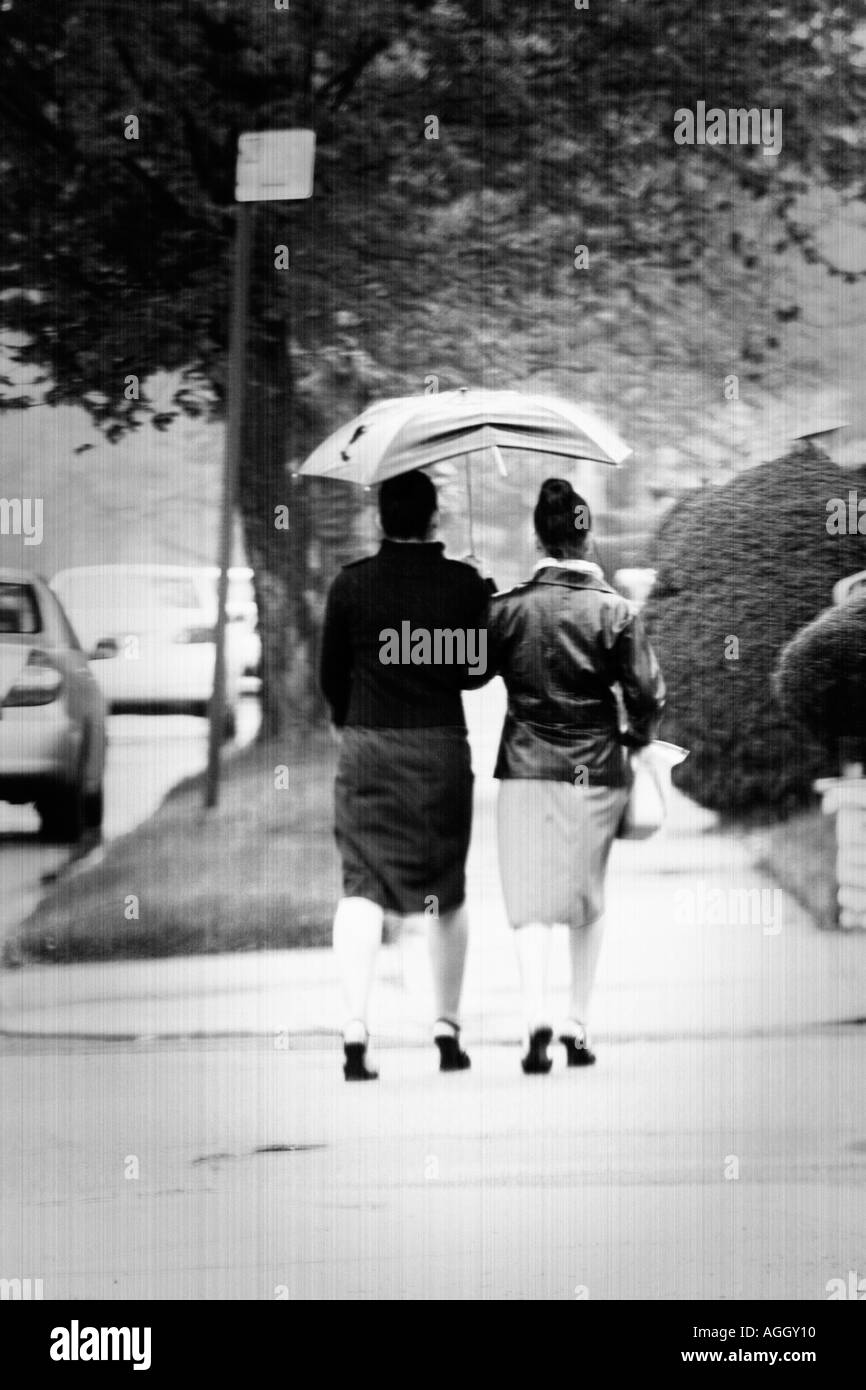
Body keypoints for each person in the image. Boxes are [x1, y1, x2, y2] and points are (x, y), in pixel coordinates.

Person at [486, 478, 665, 1074]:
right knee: (585, 895)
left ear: (538, 534)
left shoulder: (506, 609)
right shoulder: (616, 611)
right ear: (587, 536)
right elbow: (646, 693)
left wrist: (476, 602)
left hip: (524, 768)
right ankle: (576, 1024)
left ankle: (533, 1020)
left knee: (530, 899)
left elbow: (467, 671)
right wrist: (635, 743)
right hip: (595, 769)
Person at [319, 469, 491, 1081]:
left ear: (379, 522)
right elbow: (475, 673)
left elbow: (330, 680)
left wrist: (352, 723)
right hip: (440, 750)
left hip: (369, 745)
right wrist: (479, 594)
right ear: (434, 520)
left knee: (361, 884)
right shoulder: (462, 584)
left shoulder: (351, 586)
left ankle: (356, 1029)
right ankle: (446, 1029)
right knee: (446, 886)